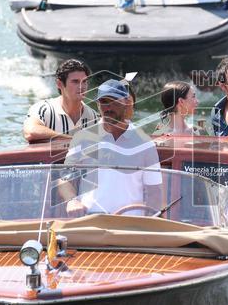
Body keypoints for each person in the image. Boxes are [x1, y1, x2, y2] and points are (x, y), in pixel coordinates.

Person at [62, 79, 164, 216]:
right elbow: (65, 179)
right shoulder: (82, 138)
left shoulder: (145, 144)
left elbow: (155, 193)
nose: (108, 108)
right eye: (104, 102)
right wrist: (72, 201)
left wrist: (147, 226)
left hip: (130, 226)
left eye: (114, 102)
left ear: (126, 103)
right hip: (90, 221)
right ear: (98, 105)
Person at [23, 59, 100, 142]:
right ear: (59, 84)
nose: (82, 86)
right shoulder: (43, 109)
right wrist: (73, 140)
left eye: (84, 81)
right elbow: (31, 132)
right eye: (75, 82)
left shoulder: (93, 117)